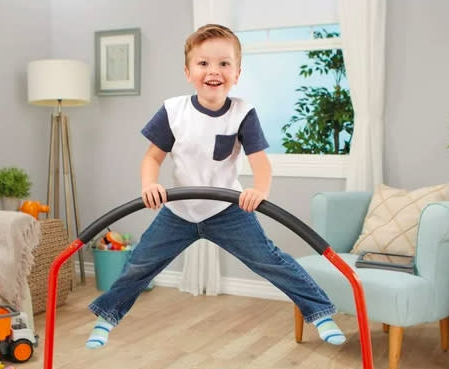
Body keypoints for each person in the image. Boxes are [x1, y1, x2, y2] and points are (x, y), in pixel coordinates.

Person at [87, 24, 345, 348]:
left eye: (224, 64)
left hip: (227, 209)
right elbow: (152, 158)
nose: (214, 71)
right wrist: (149, 184)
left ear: (237, 73)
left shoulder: (243, 112)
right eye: (203, 63)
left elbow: (260, 162)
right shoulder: (173, 111)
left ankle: (319, 311)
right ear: (188, 71)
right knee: (140, 262)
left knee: (270, 260)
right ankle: (106, 318)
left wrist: (260, 191)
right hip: (180, 210)